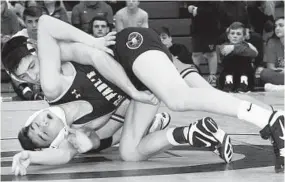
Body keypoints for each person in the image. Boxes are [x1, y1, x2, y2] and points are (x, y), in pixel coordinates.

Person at [9, 16, 284, 173]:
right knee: (128, 152)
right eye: (43, 132)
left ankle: (268, 120)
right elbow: (66, 154)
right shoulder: (83, 129)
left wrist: (130, 90)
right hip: (139, 81)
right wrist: (31, 158)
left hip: (129, 50)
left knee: (179, 98)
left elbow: (52, 26)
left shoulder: (52, 83)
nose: (32, 76)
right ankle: (272, 118)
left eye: (35, 123)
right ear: (56, 138)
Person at [187, 2, 220, 87]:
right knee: (196, 54)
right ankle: (193, 76)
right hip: (197, 29)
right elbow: (189, 7)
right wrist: (190, 7)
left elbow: (215, 9)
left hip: (210, 29)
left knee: (211, 53)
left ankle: (212, 77)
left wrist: (198, 10)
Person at [219, 22, 258, 93]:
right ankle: (228, 82)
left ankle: (244, 83)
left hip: (244, 76)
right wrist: (237, 49)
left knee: (244, 58)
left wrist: (234, 48)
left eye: (238, 34)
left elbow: (253, 53)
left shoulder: (247, 45)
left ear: (243, 37)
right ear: (228, 36)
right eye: (232, 33)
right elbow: (223, 51)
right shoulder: (224, 45)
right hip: (228, 76)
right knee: (230, 58)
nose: (235, 36)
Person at [260, 17, 284, 90]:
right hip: (280, 74)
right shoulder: (272, 42)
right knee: (264, 73)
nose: (277, 28)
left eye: (281, 25)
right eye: (275, 26)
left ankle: (278, 88)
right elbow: (271, 67)